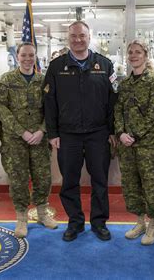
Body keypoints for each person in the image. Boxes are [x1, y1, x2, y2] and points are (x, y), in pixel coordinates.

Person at [44, 21, 118, 242]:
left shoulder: (105, 65)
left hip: (98, 134)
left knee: (99, 181)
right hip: (68, 135)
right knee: (69, 182)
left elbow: (113, 101)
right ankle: (75, 223)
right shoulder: (56, 67)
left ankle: (99, 223)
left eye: (82, 36)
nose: (78, 40)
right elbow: (49, 102)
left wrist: (112, 131)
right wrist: (52, 133)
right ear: (68, 38)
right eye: (74, 36)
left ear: (89, 37)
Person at [0, 43, 58, 238]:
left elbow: (51, 108)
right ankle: (21, 218)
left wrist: (42, 130)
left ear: (36, 57)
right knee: (18, 179)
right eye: (24, 55)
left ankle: (41, 213)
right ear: (17, 56)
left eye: (31, 55)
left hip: (40, 140)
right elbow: (1, 109)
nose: (27, 59)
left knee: (43, 177)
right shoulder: (7, 80)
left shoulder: (43, 81)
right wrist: (21, 131)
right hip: (15, 140)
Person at [114, 40, 154, 245]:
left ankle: (153, 226)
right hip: (126, 146)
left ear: (145, 55)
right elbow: (117, 111)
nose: (134, 56)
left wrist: (132, 134)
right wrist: (120, 133)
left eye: (138, 52)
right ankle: (140, 222)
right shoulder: (124, 84)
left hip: (147, 145)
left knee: (150, 185)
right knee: (131, 185)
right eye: (131, 53)